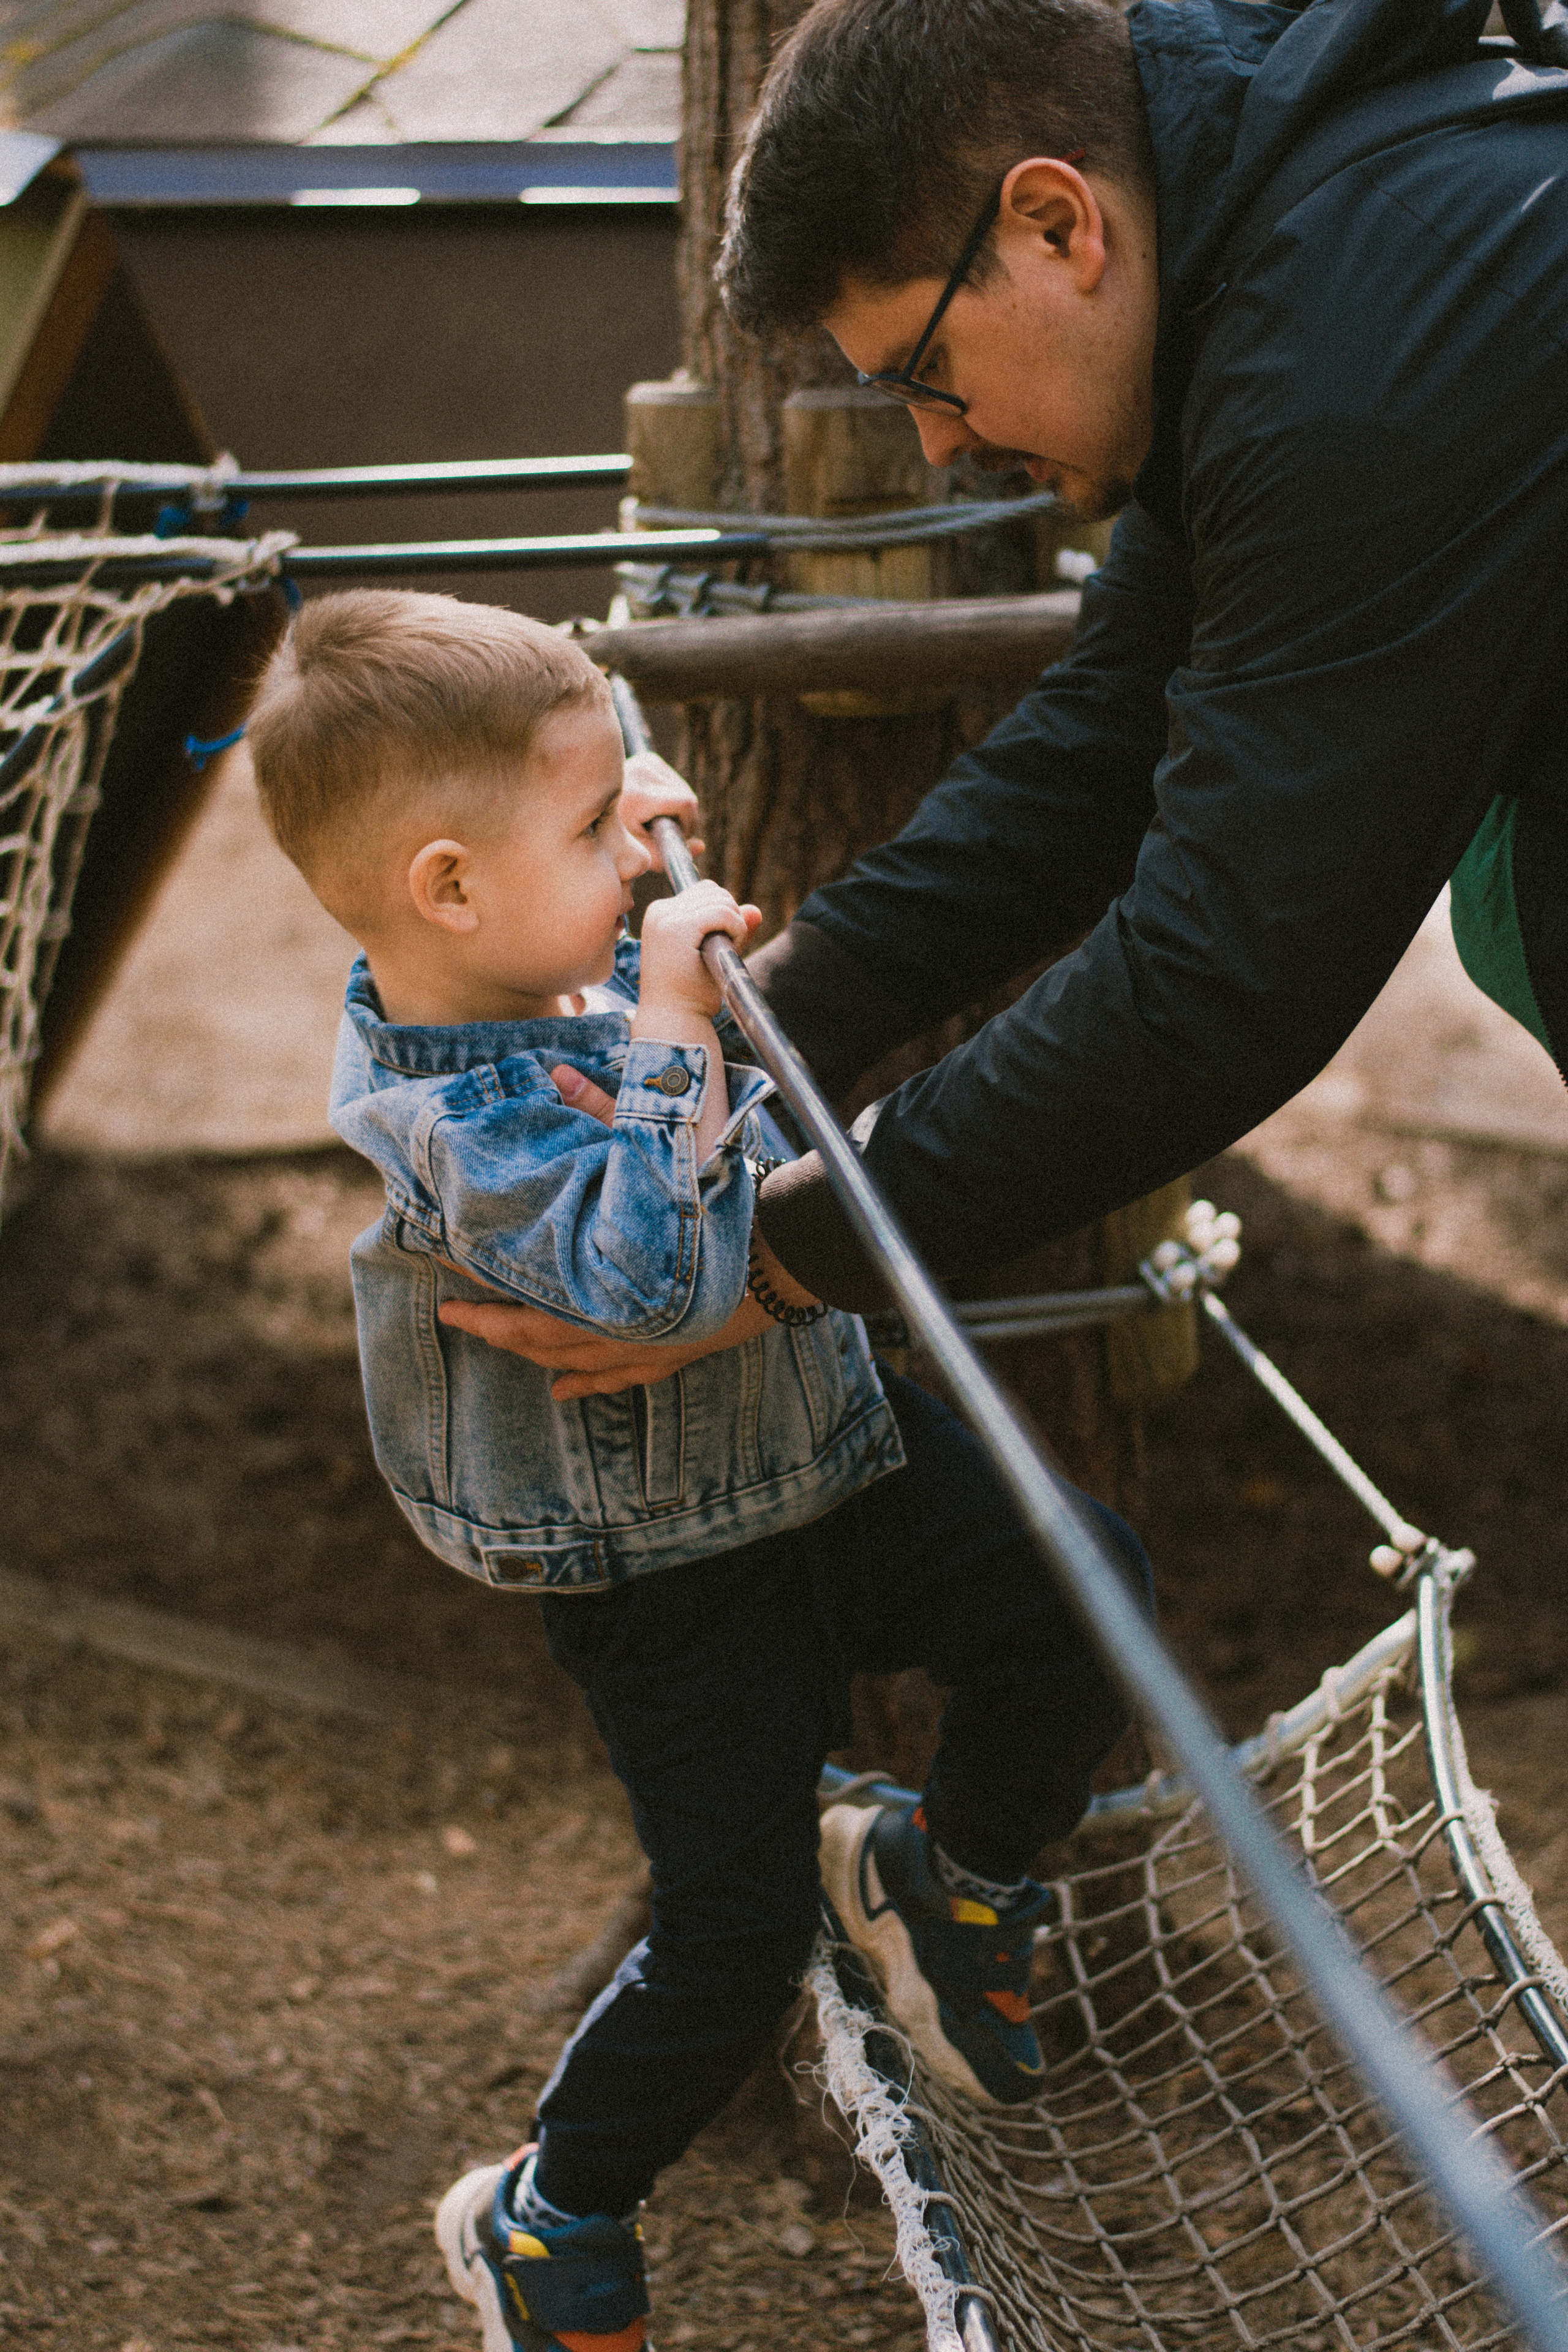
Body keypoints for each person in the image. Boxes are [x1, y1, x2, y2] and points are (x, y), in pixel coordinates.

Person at [246, 589, 1151, 2352]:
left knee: (1082, 1585)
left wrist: (615, 822)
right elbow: (654, 1285)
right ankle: (552, 2215)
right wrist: (669, 1009)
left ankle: (944, 1871)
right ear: (449, 891)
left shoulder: (525, 959)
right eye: (595, 828)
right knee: (730, 1939)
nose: (637, 854)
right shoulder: (453, 1126)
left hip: (829, 1453)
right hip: (667, 1577)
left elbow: (599, 944)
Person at [442, 0, 1568, 1379]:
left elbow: (1226, 971)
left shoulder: (1365, 348)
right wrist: (755, 1020)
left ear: (1053, 223)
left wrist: (775, 1258)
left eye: (929, 375)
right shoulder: (1279, 265)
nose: (935, 447)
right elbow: (1104, 740)